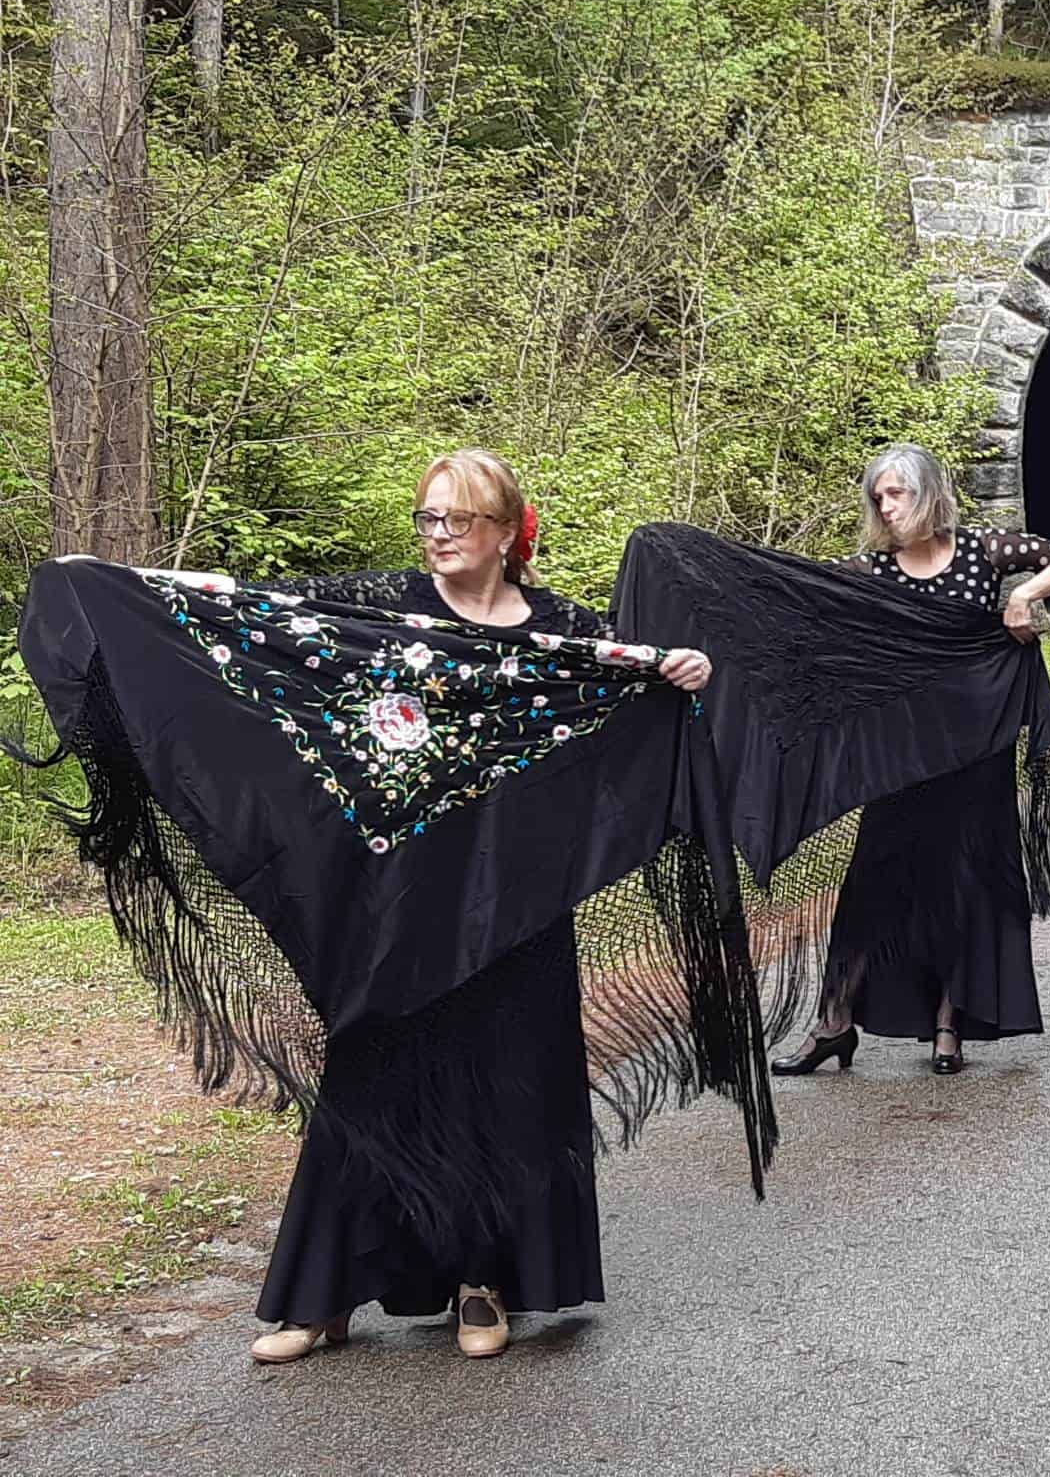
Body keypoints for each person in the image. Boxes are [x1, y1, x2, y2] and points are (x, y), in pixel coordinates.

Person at [19, 448, 742, 1367]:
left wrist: (678, 670)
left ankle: (484, 1278)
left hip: (520, 901)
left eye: (458, 519)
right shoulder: (385, 606)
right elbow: (256, 613)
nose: (439, 535)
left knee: (506, 1076)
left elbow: (627, 699)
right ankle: (322, 1294)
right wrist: (120, 584)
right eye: (428, 518)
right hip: (406, 896)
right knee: (372, 1071)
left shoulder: (563, 631)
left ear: (506, 532)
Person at [770, 444, 1050, 1077]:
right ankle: (834, 1023)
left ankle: (949, 1022)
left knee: (965, 881)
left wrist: (1024, 596)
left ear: (930, 494)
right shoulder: (871, 569)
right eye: (879, 497)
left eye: (898, 493)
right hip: (904, 755)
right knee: (875, 883)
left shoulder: (982, 550)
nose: (886, 507)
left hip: (978, 751)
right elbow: (800, 600)